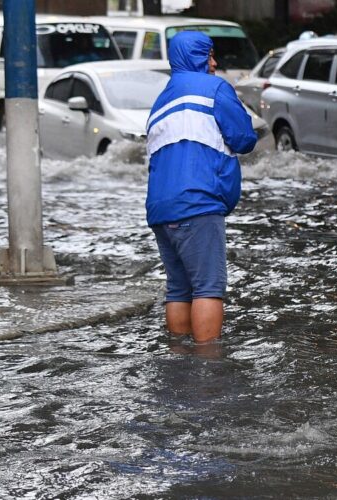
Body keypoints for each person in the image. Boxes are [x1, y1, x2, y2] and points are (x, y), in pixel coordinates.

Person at [146, 31, 257, 344]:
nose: (214, 62)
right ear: (196, 56)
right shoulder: (214, 88)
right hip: (198, 203)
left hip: (160, 210)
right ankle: (208, 367)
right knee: (208, 287)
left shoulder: (160, 100)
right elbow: (244, 138)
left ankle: (179, 360)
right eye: (209, 55)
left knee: (178, 288)